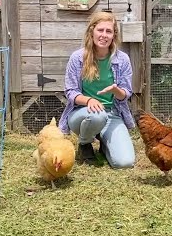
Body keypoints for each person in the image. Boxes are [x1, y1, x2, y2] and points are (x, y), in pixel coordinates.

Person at [58, 11, 136, 168]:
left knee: (125, 162)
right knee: (97, 116)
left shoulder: (122, 60)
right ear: (91, 31)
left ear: (114, 35)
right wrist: (89, 100)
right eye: (100, 30)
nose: (104, 35)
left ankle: (104, 142)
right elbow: (71, 92)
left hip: (112, 113)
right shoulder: (77, 58)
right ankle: (85, 144)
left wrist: (116, 91)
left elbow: (125, 94)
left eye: (109, 31)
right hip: (81, 113)